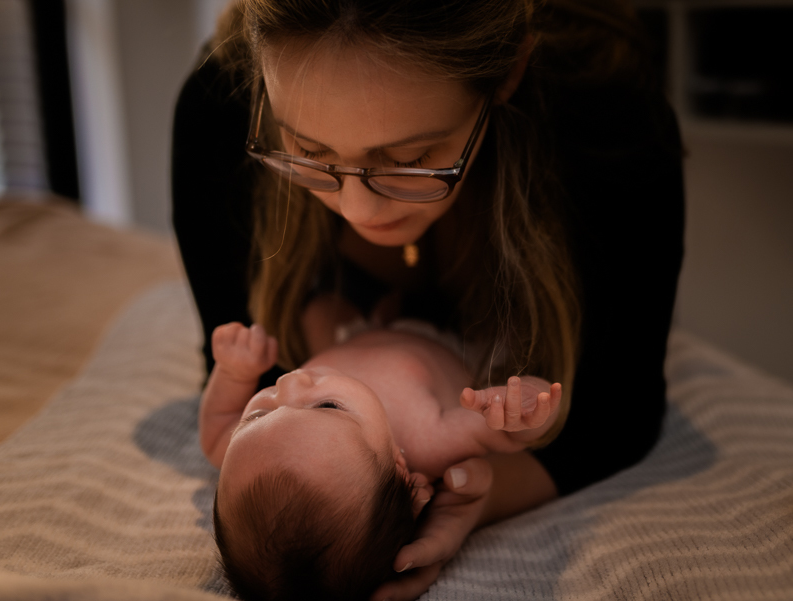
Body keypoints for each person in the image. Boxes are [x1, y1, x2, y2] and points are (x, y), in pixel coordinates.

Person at [172, 0, 684, 599]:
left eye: (411, 161)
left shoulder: (604, 119)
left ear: (509, 73)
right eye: (306, 152)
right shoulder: (222, 106)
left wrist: (476, 496)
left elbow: (615, 411)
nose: (359, 211)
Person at [201, 321, 563, 600]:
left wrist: (234, 373)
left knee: (319, 310)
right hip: (451, 334)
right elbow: (510, 435)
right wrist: (523, 406)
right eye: (327, 406)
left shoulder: (248, 451)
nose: (288, 383)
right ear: (398, 466)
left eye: (258, 415)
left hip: (357, 326)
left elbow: (216, 431)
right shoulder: (431, 438)